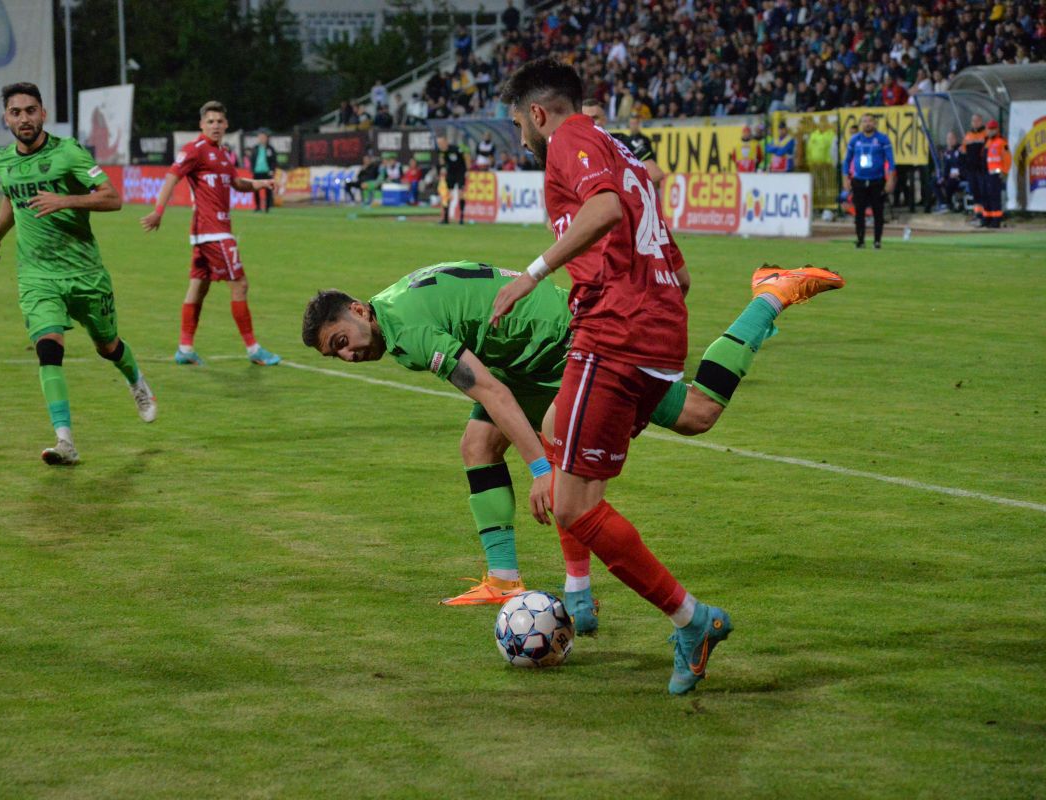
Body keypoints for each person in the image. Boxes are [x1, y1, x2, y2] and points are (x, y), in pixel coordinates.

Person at [302, 261, 843, 620]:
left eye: (343, 341)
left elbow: (491, 391)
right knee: (479, 446)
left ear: (359, 310)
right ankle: (507, 580)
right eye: (336, 354)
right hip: (527, 357)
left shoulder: (409, 331)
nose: (348, 355)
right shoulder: (392, 310)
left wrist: (538, 469)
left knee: (696, 414)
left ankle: (772, 294)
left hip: (572, 342)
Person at [494, 59, 735, 694]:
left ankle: (692, 620)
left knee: (574, 505)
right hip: (657, 330)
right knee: (557, 428)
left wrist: (532, 275)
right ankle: (579, 590)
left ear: (538, 113)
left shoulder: (569, 139)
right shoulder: (621, 150)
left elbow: (602, 208)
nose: (521, 135)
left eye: (518, 123)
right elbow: (681, 273)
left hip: (615, 332)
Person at [0, 82, 156, 466]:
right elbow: (11, 197)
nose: (24, 118)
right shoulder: (3, 160)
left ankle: (136, 380)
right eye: (16, 112)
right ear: (6, 118)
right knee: (48, 349)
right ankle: (65, 441)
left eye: (31, 111)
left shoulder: (69, 153)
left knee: (107, 346)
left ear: (43, 114)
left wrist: (65, 200)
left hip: (84, 272)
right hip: (36, 275)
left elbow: (112, 197)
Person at [140, 101, 281, 367]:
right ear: (202, 125)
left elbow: (236, 182)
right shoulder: (194, 150)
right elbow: (172, 176)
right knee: (240, 285)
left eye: (219, 121)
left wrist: (262, 183)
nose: (215, 126)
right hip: (213, 232)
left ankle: (185, 349)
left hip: (207, 234)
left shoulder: (223, 154)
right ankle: (253, 349)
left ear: (226, 125)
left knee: (198, 288)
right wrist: (158, 211)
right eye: (210, 121)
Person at [579, 99, 663, 185]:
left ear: (604, 120)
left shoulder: (623, 141)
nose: (590, 122)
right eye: (585, 118)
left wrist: (623, 188)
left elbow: (655, 173)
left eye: (595, 118)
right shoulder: (573, 148)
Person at [843, 113, 896, 249]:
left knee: (878, 212)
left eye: (870, 121)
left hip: (877, 180)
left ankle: (877, 241)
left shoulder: (882, 139)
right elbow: (847, 160)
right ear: (861, 124)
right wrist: (845, 178)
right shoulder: (855, 140)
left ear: (875, 123)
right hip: (859, 180)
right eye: (864, 121)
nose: (867, 124)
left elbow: (891, 161)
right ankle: (860, 240)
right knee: (859, 212)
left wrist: (890, 179)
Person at [981, 119, 1011, 228]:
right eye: (989, 129)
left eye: (992, 129)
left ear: (997, 130)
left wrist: (1005, 172)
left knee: (995, 197)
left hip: (996, 174)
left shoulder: (1002, 142)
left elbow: (1008, 158)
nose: (990, 131)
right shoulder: (987, 142)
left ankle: (996, 220)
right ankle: (986, 219)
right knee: (986, 196)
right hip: (986, 174)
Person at [437, 134, 468, 225]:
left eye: (441, 143)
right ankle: (446, 218)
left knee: (461, 193)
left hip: (460, 172)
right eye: (439, 144)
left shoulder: (455, 149)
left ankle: (461, 218)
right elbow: (442, 161)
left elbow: (466, 157)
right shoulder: (441, 152)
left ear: (446, 142)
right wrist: (443, 168)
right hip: (450, 173)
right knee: (447, 194)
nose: (440, 145)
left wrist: (468, 170)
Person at [962, 114, 988, 224]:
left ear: (981, 121)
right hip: (971, 170)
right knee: (975, 192)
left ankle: (986, 216)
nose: (975, 123)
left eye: (977, 120)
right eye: (973, 121)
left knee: (983, 192)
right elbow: (963, 152)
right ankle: (978, 215)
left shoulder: (986, 134)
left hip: (982, 169)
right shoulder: (968, 136)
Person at [248, 131, 278, 213]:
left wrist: (272, 170)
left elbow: (274, 161)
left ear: (267, 138)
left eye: (263, 137)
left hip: (267, 172)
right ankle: (258, 207)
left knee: (268, 191)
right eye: (260, 137)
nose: (261, 139)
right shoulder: (255, 148)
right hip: (257, 172)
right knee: (256, 190)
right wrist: (252, 169)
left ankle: (267, 207)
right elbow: (252, 159)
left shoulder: (270, 149)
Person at [935, 131, 964, 212]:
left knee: (950, 182)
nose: (950, 140)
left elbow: (964, 165)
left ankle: (949, 204)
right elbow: (946, 168)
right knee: (934, 182)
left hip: (959, 176)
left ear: (956, 139)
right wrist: (943, 177)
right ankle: (943, 203)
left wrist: (958, 173)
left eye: (952, 138)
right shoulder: (946, 152)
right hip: (950, 176)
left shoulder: (961, 149)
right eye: (948, 139)